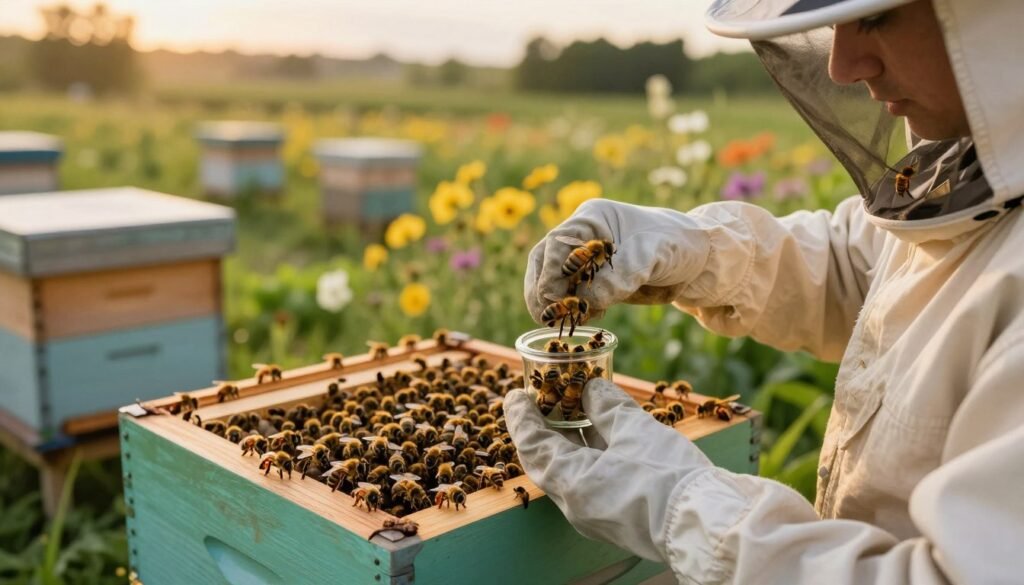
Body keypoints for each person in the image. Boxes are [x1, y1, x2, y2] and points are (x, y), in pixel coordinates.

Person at [504, 0, 1024, 582]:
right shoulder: (978, 175)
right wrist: (698, 251)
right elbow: (876, 272)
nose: (841, 65)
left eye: (876, 18)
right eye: (834, 24)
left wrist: (684, 507)